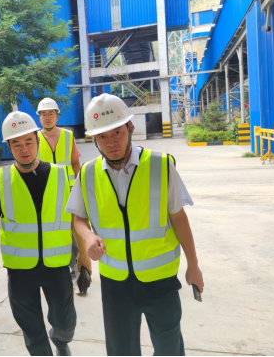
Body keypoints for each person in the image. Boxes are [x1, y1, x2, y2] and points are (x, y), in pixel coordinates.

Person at [67, 94, 205, 356]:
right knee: (121, 351)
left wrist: (193, 265)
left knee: (169, 349)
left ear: (130, 128)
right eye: (102, 136)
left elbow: (178, 218)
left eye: (117, 132)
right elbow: (78, 218)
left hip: (160, 280)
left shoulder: (160, 165)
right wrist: (87, 237)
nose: (111, 142)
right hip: (115, 283)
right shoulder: (87, 173)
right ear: (94, 139)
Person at [0, 111, 86, 356]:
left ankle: (61, 341)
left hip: (57, 265)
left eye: (28, 141)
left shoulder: (60, 175)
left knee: (65, 322)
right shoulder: (3, 179)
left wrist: (83, 254)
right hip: (20, 270)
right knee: (31, 327)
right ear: (9, 147)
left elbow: (74, 218)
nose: (24, 148)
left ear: (38, 141)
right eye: (16, 143)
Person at [36, 97, 91, 294]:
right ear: (39, 117)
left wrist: (80, 187)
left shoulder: (68, 136)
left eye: (50, 113)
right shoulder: (35, 138)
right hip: (48, 194)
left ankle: (80, 272)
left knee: (75, 231)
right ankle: (61, 270)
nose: (47, 118)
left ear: (57, 115)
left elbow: (75, 162)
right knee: (55, 232)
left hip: (70, 191)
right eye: (43, 114)